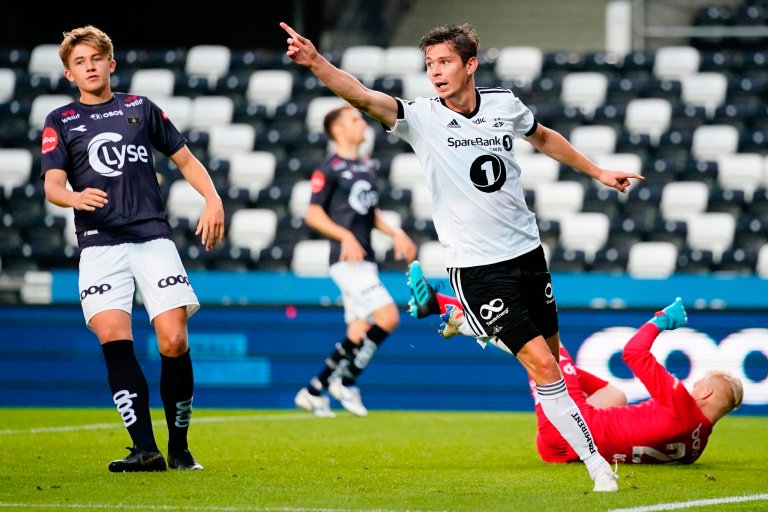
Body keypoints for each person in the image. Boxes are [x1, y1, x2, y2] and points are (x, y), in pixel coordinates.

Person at [280, 21, 644, 491]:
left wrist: (597, 171)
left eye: (445, 61)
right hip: (476, 267)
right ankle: (598, 467)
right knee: (544, 367)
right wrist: (315, 63)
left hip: (528, 254)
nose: (435, 72)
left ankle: (465, 321)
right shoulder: (421, 118)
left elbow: (544, 137)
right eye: (429, 64)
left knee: (553, 361)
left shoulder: (504, 104)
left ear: (470, 64)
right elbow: (364, 96)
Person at [41, 26, 225, 472]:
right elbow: (51, 185)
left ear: (110, 63)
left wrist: (213, 198)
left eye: (95, 58)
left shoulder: (139, 108)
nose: (89, 66)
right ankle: (145, 449)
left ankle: (180, 448)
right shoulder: (59, 121)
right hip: (99, 246)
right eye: (80, 62)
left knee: (174, 339)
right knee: (112, 336)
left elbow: (184, 159)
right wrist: (74, 197)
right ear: (69, 73)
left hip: (152, 239)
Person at [406, 268, 743, 464]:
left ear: (706, 391)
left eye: (700, 381)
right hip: (566, 449)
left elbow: (633, 353)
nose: (693, 385)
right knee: (615, 393)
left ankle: (438, 305)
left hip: (568, 431)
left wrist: (661, 321)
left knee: (543, 342)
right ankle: (460, 321)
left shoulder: (685, 406)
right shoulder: (697, 447)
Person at [293, 105, 417, 417]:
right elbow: (312, 212)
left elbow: (368, 211)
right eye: (355, 119)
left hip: (366, 259)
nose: (363, 123)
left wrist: (396, 233)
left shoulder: (367, 166)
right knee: (389, 317)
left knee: (357, 332)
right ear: (337, 130)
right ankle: (346, 382)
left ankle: (313, 390)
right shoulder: (329, 168)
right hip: (346, 261)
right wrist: (344, 236)